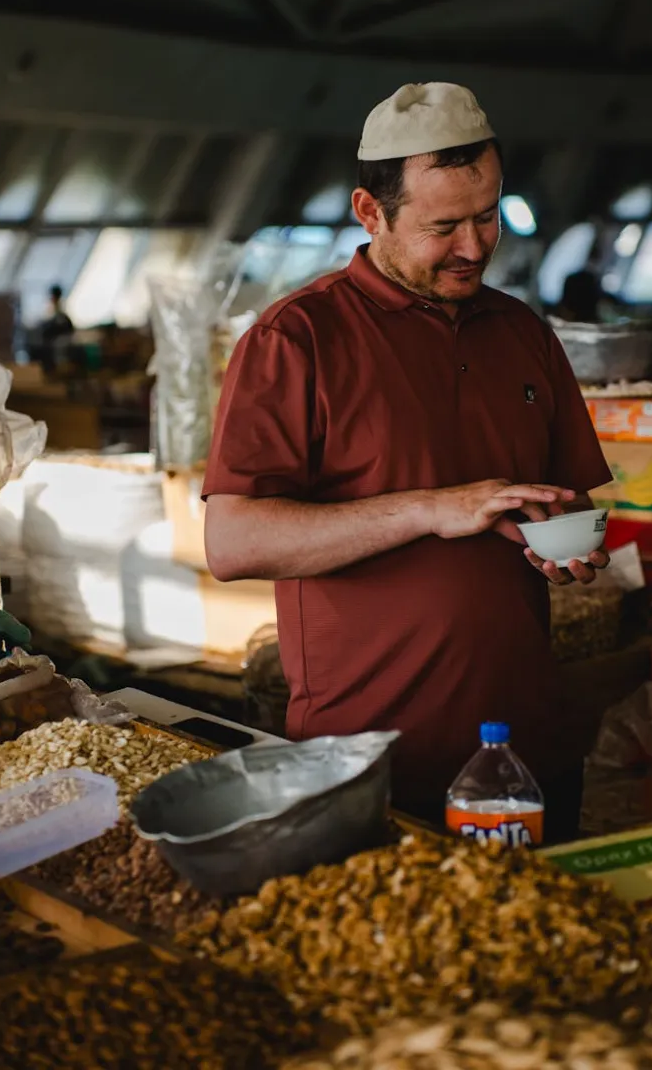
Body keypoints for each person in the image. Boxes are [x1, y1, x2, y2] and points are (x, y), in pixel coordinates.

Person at [203, 82, 611, 838]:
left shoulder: (522, 332)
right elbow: (232, 543)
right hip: (373, 764)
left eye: (487, 216)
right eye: (442, 226)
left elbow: (572, 500)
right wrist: (431, 507)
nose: (473, 246)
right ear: (370, 212)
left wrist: (566, 542)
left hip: (530, 752)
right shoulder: (297, 339)